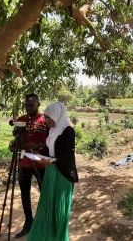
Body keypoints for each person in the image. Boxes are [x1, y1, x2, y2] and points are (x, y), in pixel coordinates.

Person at [28, 102, 78, 241]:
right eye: (46, 118)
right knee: (48, 204)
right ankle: (47, 236)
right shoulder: (52, 131)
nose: (47, 121)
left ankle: (60, 237)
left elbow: (68, 156)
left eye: (49, 118)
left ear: (58, 116)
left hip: (63, 174)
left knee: (59, 209)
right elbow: (49, 150)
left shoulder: (68, 131)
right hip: (51, 172)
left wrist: (52, 161)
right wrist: (38, 150)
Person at [8, 94, 49, 238]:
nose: (28, 107)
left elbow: (51, 143)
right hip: (23, 162)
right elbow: (16, 138)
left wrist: (38, 146)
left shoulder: (45, 120)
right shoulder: (21, 120)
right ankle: (28, 222)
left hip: (41, 163)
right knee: (24, 194)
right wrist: (13, 145)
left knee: (45, 194)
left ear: (38, 104)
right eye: (26, 105)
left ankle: (44, 222)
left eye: (31, 105)